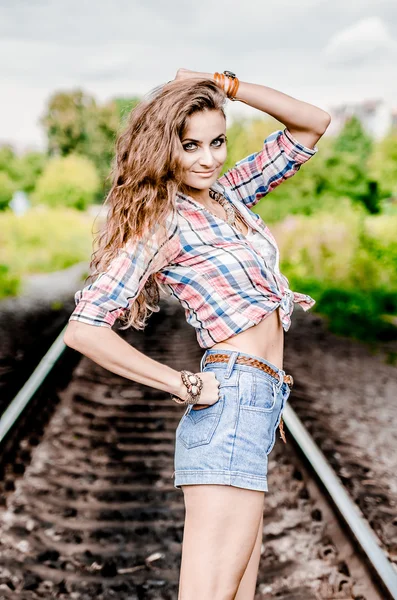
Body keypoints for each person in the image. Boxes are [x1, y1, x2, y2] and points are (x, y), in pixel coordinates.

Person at [64, 68, 330, 600]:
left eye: (217, 141)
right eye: (190, 146)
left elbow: (312, 124)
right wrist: (183, 385)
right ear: (166, 149)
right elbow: (84, 329)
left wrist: (225, 84)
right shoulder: (164, 221)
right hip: (230, 403)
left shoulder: (229, 198)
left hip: (260, 402)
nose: (208, 158)